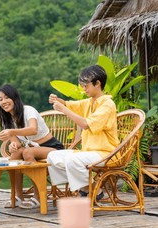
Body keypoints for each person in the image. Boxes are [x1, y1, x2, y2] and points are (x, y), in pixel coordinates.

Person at [47, 65, 119, 199]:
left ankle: (87, 189)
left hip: (106, 153)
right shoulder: (90, 102)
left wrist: (63, 110)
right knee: (53, 156)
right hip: (88, 152)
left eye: (86, 85)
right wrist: (57, 100)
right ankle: (89, 188)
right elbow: (68, 104)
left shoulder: (107, 104)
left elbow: (86, 124)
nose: (84, 89)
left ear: (97, 83)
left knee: (72, 159)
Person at [0, 84, 64, 209]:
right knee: (15, 155)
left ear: (14, 98)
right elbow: (15, 142)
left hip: (52, 148)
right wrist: (13, 146)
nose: (3, 102)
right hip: (31, 148)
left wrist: (12, 132)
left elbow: (33, 129)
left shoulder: (28, 110)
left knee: (28, 153)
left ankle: (38, 197)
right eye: (0, 99)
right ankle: (18, 196)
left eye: (6, 98)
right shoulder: (7, 119)